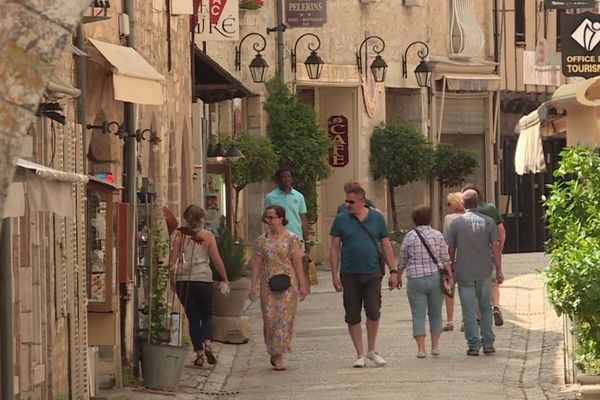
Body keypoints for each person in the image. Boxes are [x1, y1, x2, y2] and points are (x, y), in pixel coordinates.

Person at [329, 186, 399, 368]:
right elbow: (335, 248)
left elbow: (386, 245)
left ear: (362, 201)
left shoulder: (377, 218)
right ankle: (359, 353)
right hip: (349, 273)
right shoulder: (341, 219)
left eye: (351, 202)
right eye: (346, 201)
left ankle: (372, 349)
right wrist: (334, 274)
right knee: (352, 315)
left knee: (374, 311)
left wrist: (393, 271)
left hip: (372, 272)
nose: (347, 204)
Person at [249, 205, 309, 371]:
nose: (268, 221)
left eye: (272, 217)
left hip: (288, 284)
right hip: (268, 283)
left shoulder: (292, 239)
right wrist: (252, 284)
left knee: (284, 319)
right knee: (270, 320)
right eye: (266, 218)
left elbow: (297, 262)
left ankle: (279, 355)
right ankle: (274, 351)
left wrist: (303, 285)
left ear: (281, 218)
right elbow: (257, 264)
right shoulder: (262, 241)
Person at [169, 205, 229, 367]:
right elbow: (217, 260)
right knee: (206, 315)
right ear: (202, 218)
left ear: (186, 218)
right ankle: (208, 343)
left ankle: (199, 354)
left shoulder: (180, 236)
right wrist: (225, 278)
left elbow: (172, 260)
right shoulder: (208, 236)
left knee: (193, 318)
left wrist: (171, 280)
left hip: (184, 280)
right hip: (203, 279)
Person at [444, 189, 503, 356]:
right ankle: (488, 343)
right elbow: (496, 248)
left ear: (463, 204)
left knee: (468, 309)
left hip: (464, 271)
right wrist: (498, 270)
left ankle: (473, 345)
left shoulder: (456, 224)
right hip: (484, 270)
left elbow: (451, 249)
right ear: (478, 203)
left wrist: (451, 270)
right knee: (485, 307)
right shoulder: (489, 222)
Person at [397, 206, 453, 358]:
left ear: (414, 220)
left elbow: (402, 259)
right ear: (429, 218)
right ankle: (435, 347)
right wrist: (450, 277)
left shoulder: (409, 237)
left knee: (418, 315)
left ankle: (421, 349)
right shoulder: (437, 235)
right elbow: (445, 258)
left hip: (416, 280)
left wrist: (398, 276)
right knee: (436, 314)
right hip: (436, 278)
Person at [461, 183, 506, 326]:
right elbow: (501, 231)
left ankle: (479, 316)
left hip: (471, 255)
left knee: (475, 286)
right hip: (490, 252)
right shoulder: (491, 209)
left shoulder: (466, 215)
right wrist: (499, 249)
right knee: (493, 283)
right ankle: (496, 307)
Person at [264, 169, 309, 248]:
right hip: (277, 238)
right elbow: (266, 218)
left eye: (288, 177)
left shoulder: (299, 196)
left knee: (297, 260)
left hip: (296, 237)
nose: (287, 179)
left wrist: (307, 239)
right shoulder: (270, 197)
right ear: (278, 180)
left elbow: (303, 218)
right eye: (283, 177)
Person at [442, 192, 465, 332]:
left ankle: (450, 320)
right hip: (465, 258)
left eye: (449, 204)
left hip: (451, 258)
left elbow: (446, 240)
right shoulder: (468, 217)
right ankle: (464, 320)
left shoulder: (448, 218)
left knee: (449, 290)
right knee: (465, 290)